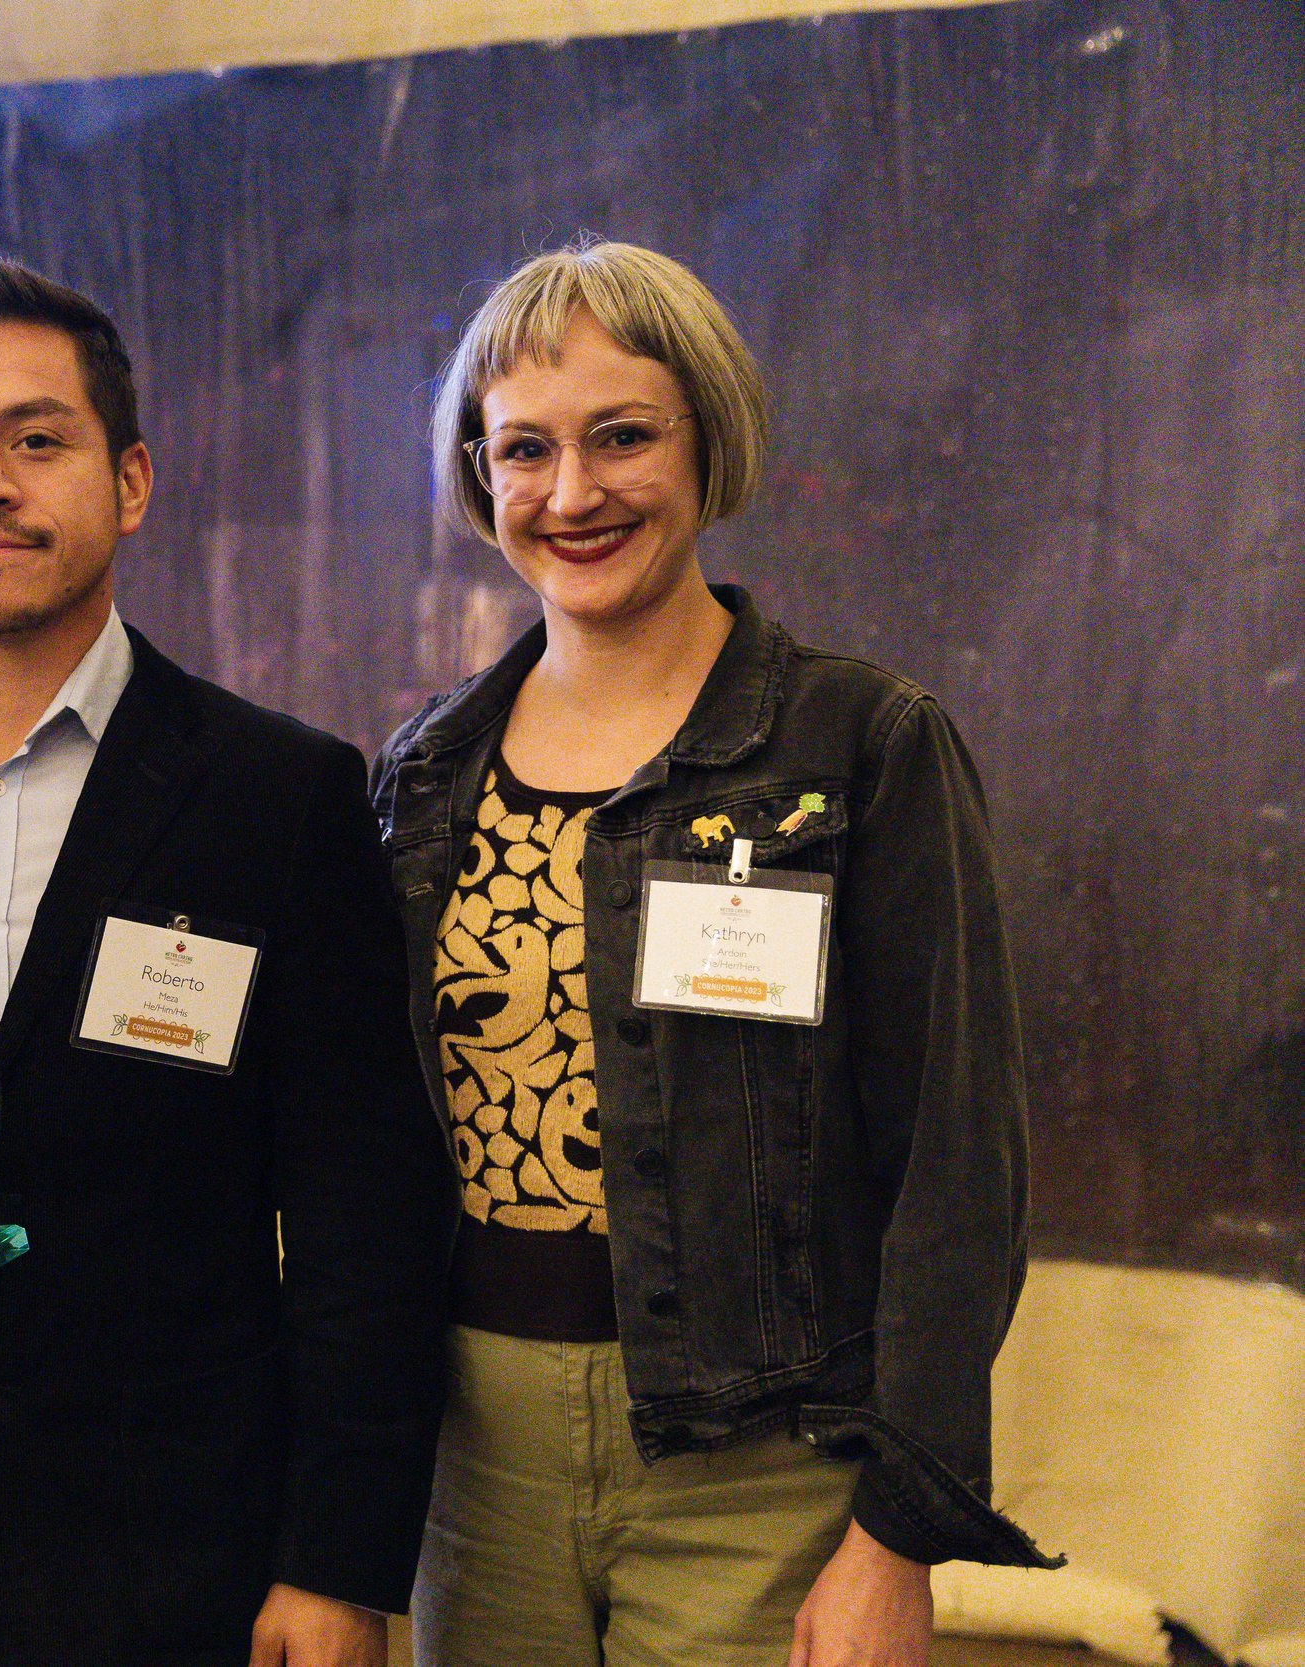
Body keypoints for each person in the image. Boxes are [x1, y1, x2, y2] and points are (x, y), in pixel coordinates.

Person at [0, 257, 455, 1667]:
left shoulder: (275, 795)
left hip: (186, 1574)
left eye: (34, 439)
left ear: (130, 483)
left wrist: (341, 1565)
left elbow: (367, 1207)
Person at [372, 237, 1059, 1667]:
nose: (573, 493)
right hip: (469, 1460)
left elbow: (959, 1169)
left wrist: (899, 1533)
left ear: (709, 438)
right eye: (524, 450)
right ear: (477, 475)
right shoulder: (424, 774)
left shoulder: (862, 744)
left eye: (623, 436)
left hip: (762, 1469)